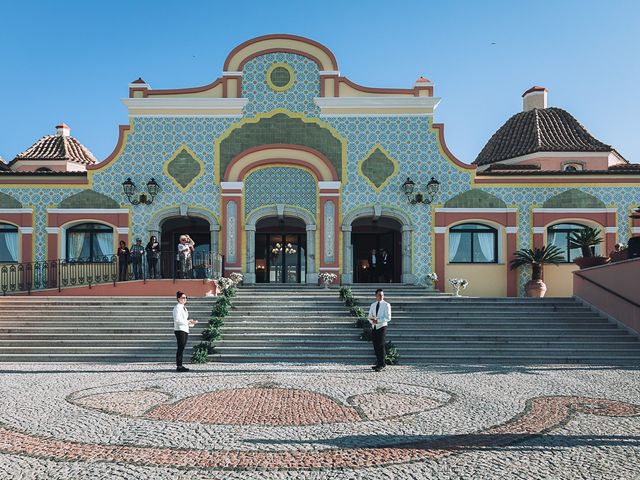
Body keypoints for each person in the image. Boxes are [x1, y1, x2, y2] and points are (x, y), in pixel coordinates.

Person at [173, 290, 198, 372]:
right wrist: (188, 321)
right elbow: (177, 320)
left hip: (184, 329)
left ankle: (180, 365)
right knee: (180, 347)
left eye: (186, 297)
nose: (185, 299)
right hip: (179, 329)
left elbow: (184, 320)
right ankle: (179, 366)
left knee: (182, 347)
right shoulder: (177, 308)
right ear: (178, 299)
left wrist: (191, 322)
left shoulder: (184, 308)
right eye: (183, 298)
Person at [367, 288, 391, 372]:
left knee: (381, 345)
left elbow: (388, 317)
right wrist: (372, 321)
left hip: (382, 327)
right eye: (379, 295)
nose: (381, 296)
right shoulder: (373, 305)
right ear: (376, 296)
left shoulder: (386, 305)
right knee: (375, 346)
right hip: (374, 327)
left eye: (382, 295)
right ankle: (378, 363)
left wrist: (378, 321)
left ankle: (382, 364)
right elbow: (369, 316)